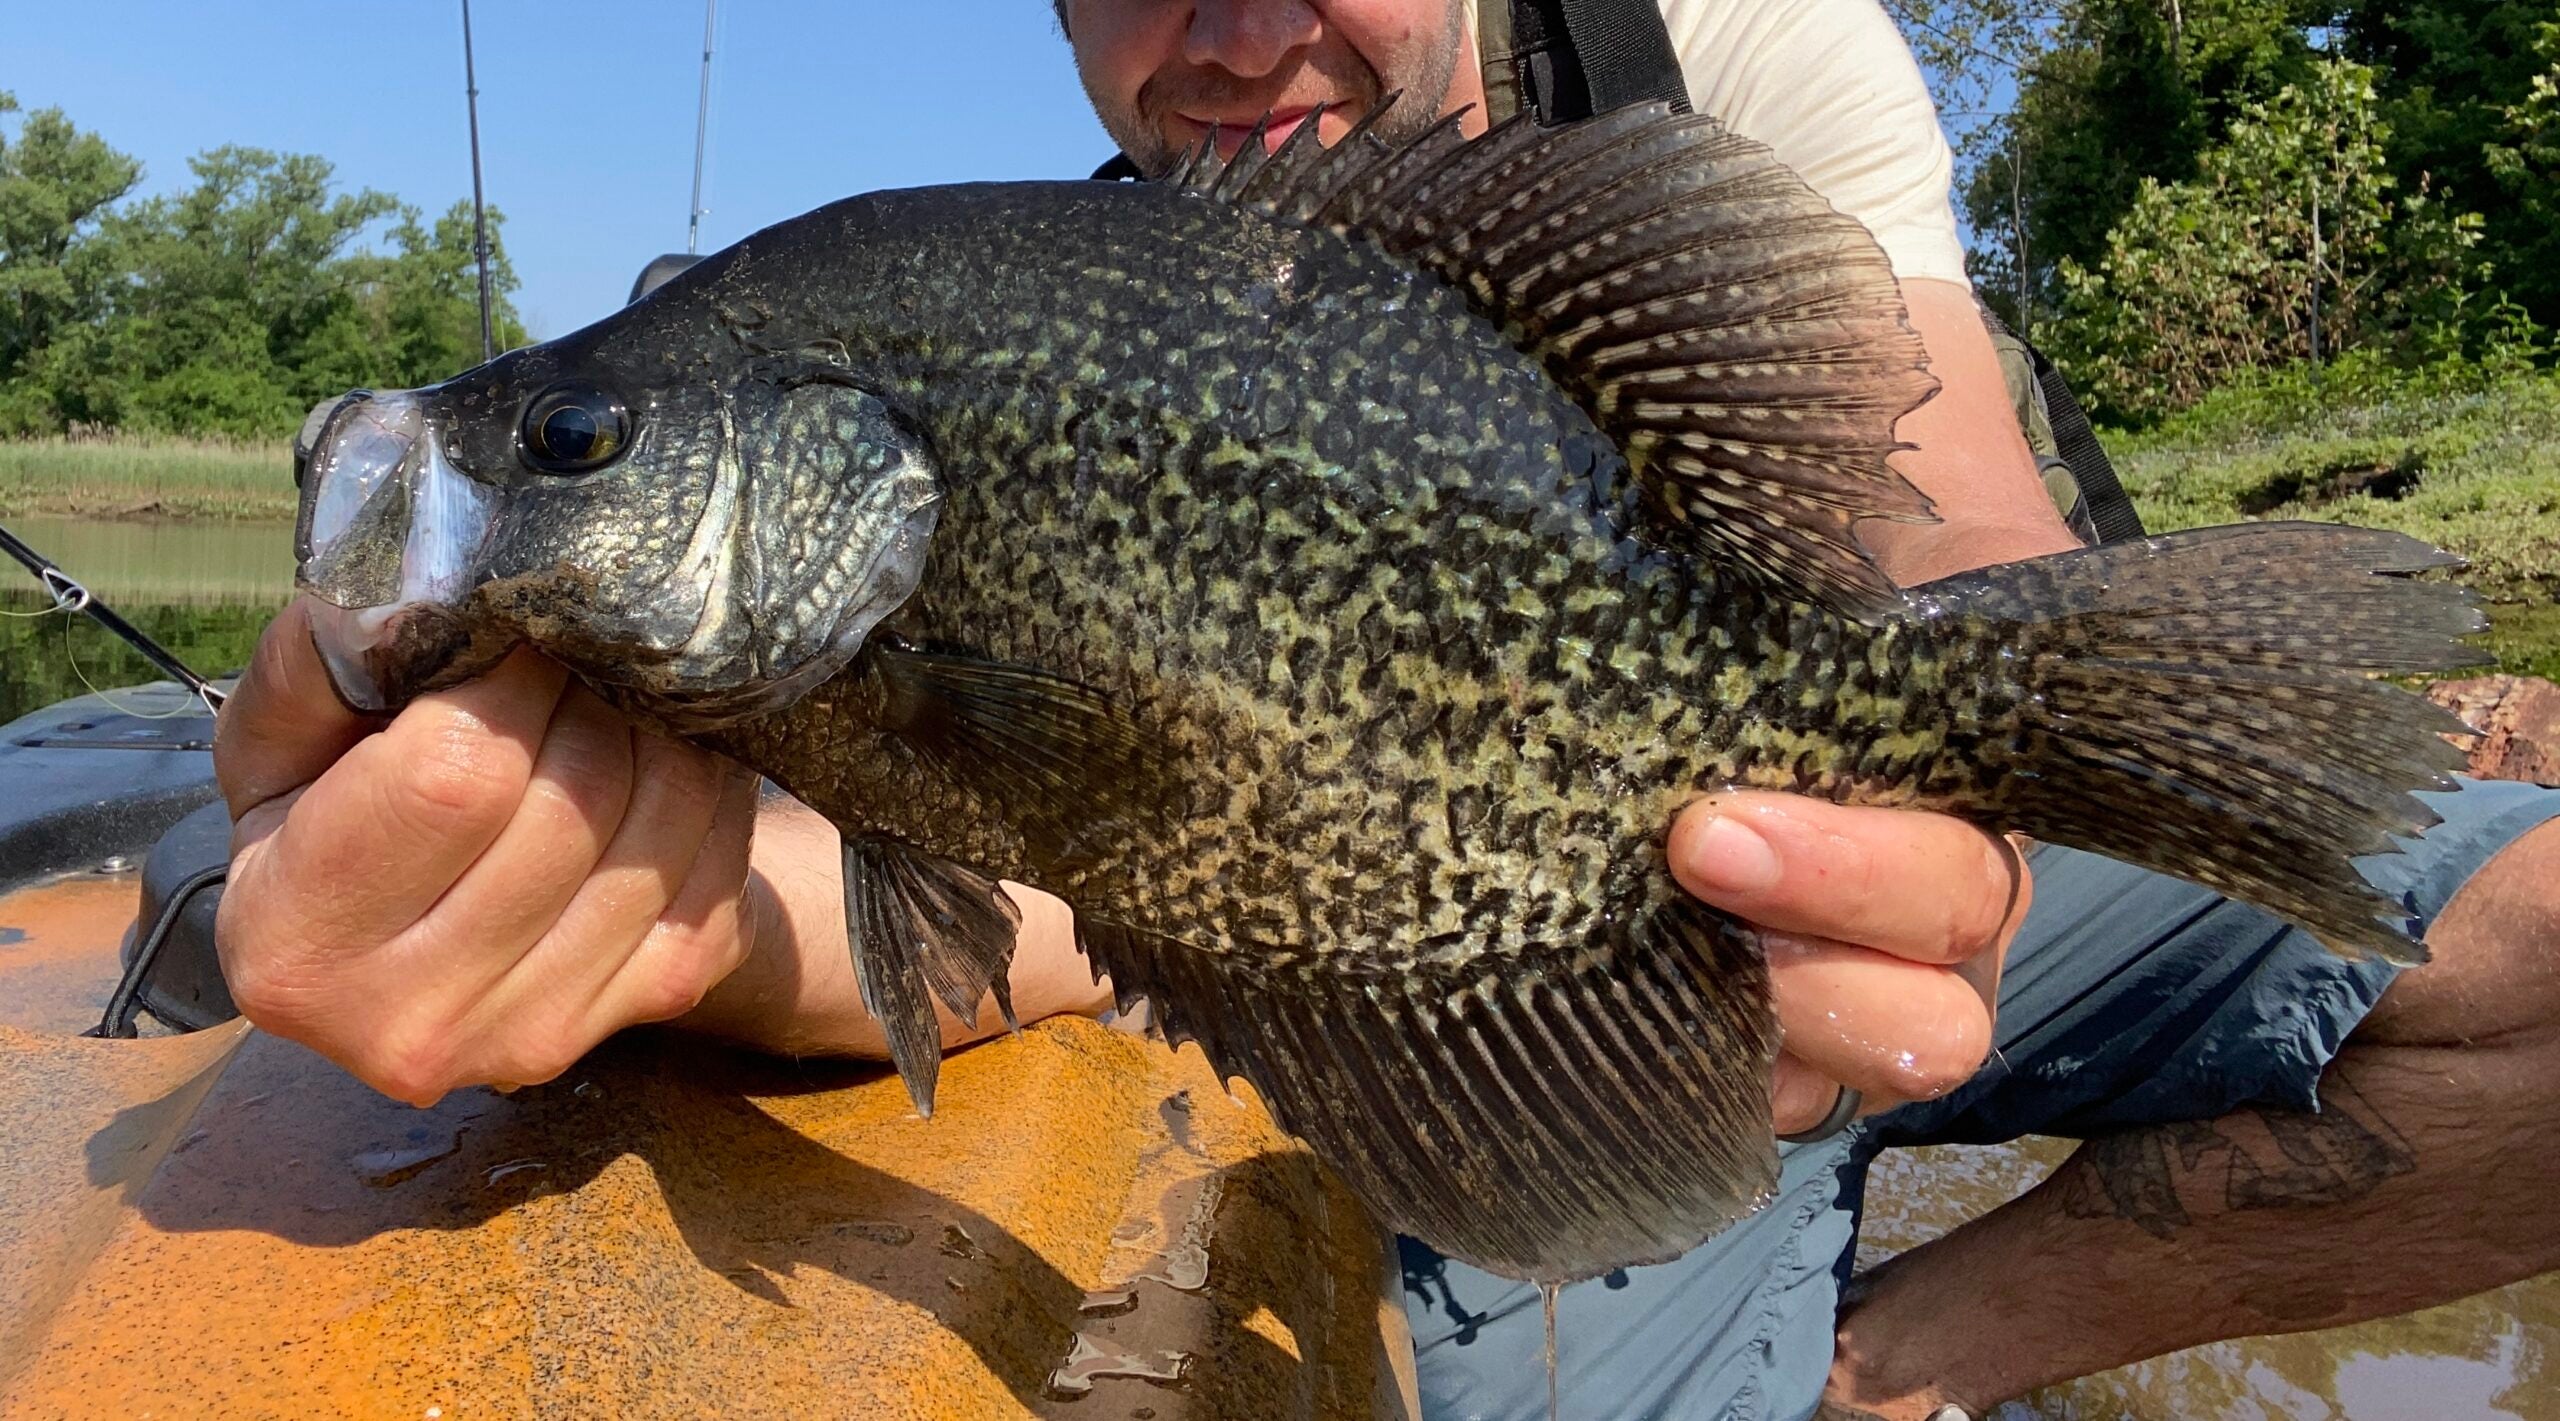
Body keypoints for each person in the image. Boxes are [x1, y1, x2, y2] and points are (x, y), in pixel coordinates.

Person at [212, 2, 2560, 1417]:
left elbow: (1949, 526)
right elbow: (1084, 862)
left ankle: (1907, 1354)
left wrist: (1940, 771)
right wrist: (691, 916)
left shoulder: (1727, 45)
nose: (1226, 34)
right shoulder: (1019, 276)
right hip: (1501, 985)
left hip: (1853, 867)